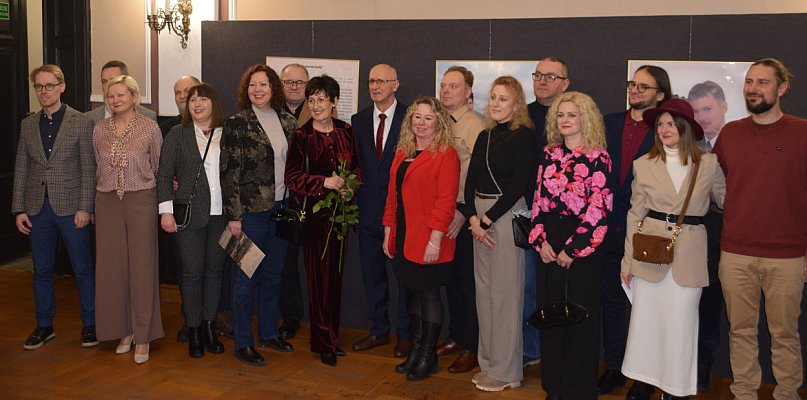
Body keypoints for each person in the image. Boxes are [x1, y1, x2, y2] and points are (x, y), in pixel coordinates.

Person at [713, 58, 807, 400]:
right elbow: (719, 185)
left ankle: (787, 394)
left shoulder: (802, 132)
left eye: (763, 82)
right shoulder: (731, 133)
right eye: (750, 81)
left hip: (788, 257)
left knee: (785, 334)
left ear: (782, 88)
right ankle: (744, 393)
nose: (753, 88)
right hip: (735, 253)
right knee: (740, 332)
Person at [620, 98, 726, 400]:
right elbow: (633, 214)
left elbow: (727, 200)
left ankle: (675, 388)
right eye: (660, 124)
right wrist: (627, 262)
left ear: (685, 128)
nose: (665, 129)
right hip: (649, 255)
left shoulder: (707, 163)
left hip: (689, 256)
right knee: (646, 324)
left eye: (671, 123)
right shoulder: (644, 164)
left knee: (681, 324)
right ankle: (643, 381)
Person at [529, 91, 612, 399]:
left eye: (572, 115)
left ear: (585, 119)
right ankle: (555, 387)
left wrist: (572, 250)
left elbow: (599, 210)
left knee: (581, 320)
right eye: (561, 115)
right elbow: (537, 202)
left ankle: (579, 390)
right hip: (549, 244)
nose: (565, 120)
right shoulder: (549, 153)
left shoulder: (598, 157)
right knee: (551, 318)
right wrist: (541, 242)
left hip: (582, 247)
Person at [13, 64, 98, 350]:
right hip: (38, 209)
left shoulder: (82, 122)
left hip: (73, 207)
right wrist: (19, 208)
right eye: (39, 86)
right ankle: (44, 325)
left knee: (83, 268)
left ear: (62, 87)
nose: (44, 91)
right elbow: (22, 168)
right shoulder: (28, 124)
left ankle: (90, 324)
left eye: (49, 85)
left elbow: (89, 168)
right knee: (42, 270)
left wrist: (86, 207)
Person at [599, 65, 672, 395]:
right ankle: (614, 366)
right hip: (606, 229)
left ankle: (646, 377)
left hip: (649, 232)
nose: (636, 90)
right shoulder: (608, 123)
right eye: (633, 84)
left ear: (660, 94)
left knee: (649, 307)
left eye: (645, 86)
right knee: (610, 302)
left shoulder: (667, 130)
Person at [220, 64, 298, 366]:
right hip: (250, 215)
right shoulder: (237, 123)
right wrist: (234, 216)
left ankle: (268, 333)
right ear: (246, 89)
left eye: (263, 84)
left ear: (273, 88)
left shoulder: (288, 122)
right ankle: (243, 342)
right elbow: (229, 174)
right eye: (252, 85)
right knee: (245, 279)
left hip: (281, 211)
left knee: (273, 277)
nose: (258, 90)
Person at [463, 76, 536, 392]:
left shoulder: (525, 138)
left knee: (506, 296)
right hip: (479, 222)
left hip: (505, 218)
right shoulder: (485, 136)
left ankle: (507, 372)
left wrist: (487, 219)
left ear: (517, 103)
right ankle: (489, 363)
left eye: (503, 98)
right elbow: (470, 182)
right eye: (493, 97)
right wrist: (472, 219)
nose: (496, 103)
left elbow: (519, 185)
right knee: (485, 296)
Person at [382, 96, 460, 380]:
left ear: (439, 121)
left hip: (430, 238)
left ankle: (428, 355)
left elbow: (446, 202)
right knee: (413, 292)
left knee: (428, 294)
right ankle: (416, 349)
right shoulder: (403, 151)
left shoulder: (446, 153)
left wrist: (435, 241)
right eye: (417, 117)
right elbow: (392, 196)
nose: (422, 123)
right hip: (404, 236)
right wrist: (388, 232)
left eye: (429, 118)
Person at [285, 75, 359, 367]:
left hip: (340, 216)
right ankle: (322, 341)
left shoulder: (347, 131)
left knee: (336, 279)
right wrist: (324, 182)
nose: (315, 105)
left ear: (334, 102)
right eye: (311, 100)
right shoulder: (302, 136)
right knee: (319, 281)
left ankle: (332, 336)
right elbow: (292, 177)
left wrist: (350, 186)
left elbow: (356, 168)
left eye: (321, 99)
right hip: (315, 218)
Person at [93, 74, 164, 364]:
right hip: (107, 201)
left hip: (141, 200)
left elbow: (158, 167)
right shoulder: (99, 129)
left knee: (142, 268)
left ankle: (143, 335)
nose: (115, 100)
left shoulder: (150, 128)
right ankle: (123, 331)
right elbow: (97, 165)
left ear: (134, 97)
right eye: (111, 96)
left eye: (121, 95)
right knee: (113, 269)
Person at [157, 83, 228, 359]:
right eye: (192, 100)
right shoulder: (177, 134)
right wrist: (165, 211)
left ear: (214, 103)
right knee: (192, 273)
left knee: (215, 272)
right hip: (187, 217)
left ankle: (210, 326)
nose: (196, 104)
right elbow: (164, 175)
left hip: (222, 216)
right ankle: (195, 328)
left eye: (203, 99)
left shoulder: (228, 134)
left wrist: (237, 214)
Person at [351, 64, 412, 357]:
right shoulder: (359, 120)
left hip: (402, 215)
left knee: (403, 279)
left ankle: (406, 334)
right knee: (372, 275)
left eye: (382, 81)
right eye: (372, 81)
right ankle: (378, 330)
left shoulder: (412, 118)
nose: (375, 86)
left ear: (396, 84)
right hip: (366, 213)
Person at [436, 65, 485, 374]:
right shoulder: (440, 123)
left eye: (453, 86)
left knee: (468, 284)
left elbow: (478, 175)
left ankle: (473, 346)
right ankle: (457, 335)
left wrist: (464, 212)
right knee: (452, 281)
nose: (446, 91)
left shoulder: (476, 126)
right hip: (443, 211)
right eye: (443, 86)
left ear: (468, 91)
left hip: (464, 214)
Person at [523, 56, 571, 367]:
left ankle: (560, 353)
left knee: (563, 292)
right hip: (528, 215)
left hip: (567, 224)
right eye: (538, 75)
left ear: (565, 84)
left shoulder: (574, 116)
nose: (543, 81)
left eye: (551, 76)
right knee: (529, 288)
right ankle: (532, 350)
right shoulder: (522, 115)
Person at [687, 80, 728, 392]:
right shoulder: (684, 148)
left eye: (708, 109)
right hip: (686, 237)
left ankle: (702, 368)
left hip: (723, 238)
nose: (701, 116)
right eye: (695, 110)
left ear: (724, 107)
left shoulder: (738, 142)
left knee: (710, 307)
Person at [275, 63, 311, 341]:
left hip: (312, 199)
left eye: (300, 83)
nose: (294, 87)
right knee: (284, 263)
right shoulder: (270, 114)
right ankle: (289, 316)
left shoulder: (321, 113)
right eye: (289, 82)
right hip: (281, 200)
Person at [86, 60, 157, 124]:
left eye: (113, 80)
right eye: (104, 81)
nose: (108, 85)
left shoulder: (148, 116)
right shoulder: (90, 118)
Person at [687, 81, 727, 151]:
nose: (701, 118)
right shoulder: (689, 146)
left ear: (724, 107)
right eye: (695, 112)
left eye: (707, 109)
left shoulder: (739, 143)